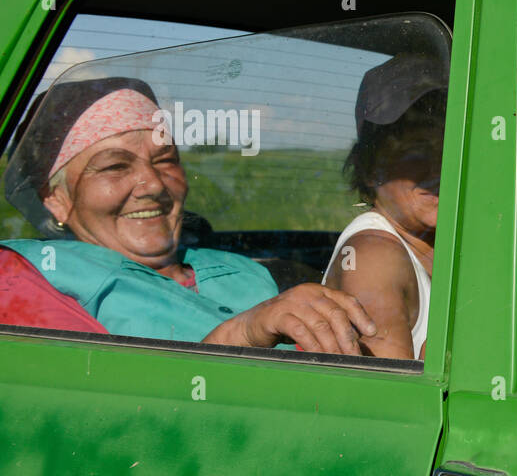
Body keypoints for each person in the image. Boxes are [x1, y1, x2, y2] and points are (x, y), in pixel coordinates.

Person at [0, 76, 376, 352]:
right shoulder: (27, 279)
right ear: (55, 198)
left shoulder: (248, 270)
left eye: (165, 160)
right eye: (114, 166)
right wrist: (242, 334)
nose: (153, 184)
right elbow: (98, 421)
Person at [322, 55, 446, 359]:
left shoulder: (442, 240)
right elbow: (389, 396)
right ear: (369, 167)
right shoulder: (373, 257)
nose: (440, 165)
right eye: (417, 150)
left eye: (451, 145)